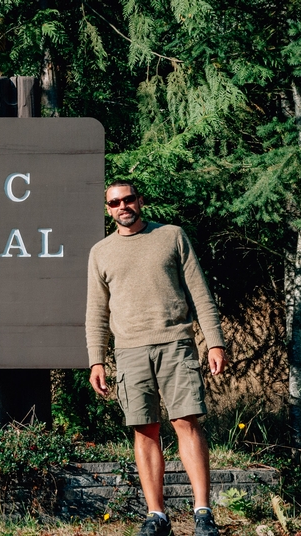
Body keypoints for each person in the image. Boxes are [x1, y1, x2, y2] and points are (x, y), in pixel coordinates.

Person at [85, 180, 228, 536]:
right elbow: (96, 312)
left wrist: (215, 342)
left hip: (176, 344)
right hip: (130, 351)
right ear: (108, 209)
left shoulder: (172, 236)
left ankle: (203, 513)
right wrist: (96, 360)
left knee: (186, 423)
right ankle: (157, 516)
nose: (123, 206)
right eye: (115, 202)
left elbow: (200, 293)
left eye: (128, 199)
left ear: (140, 201)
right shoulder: (100, 252)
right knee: (144, 431)